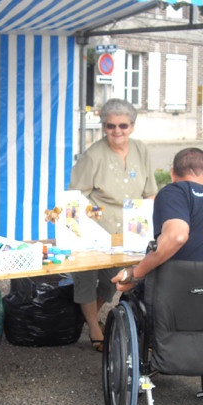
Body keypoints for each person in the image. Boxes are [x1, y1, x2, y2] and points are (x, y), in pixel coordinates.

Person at [68, 98, 157, 351]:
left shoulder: (141, 150)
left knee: (113, 281)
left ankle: (86, 317)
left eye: (123, 125)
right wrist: (85, 227)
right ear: (103, 126)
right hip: (96, 227)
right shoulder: (93, 155)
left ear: (132, 126)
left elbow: (150, 192)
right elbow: (75, 195)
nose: (117, 131)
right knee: (86, 279)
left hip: (131, 229)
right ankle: (95, 330)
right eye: (110, 126)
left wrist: (151, 223)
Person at [113, 147, 203, 292]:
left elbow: (177, 236)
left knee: (131, 295)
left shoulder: (175, 192)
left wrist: (136, 274)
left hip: (168, 304)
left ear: (172, 173)